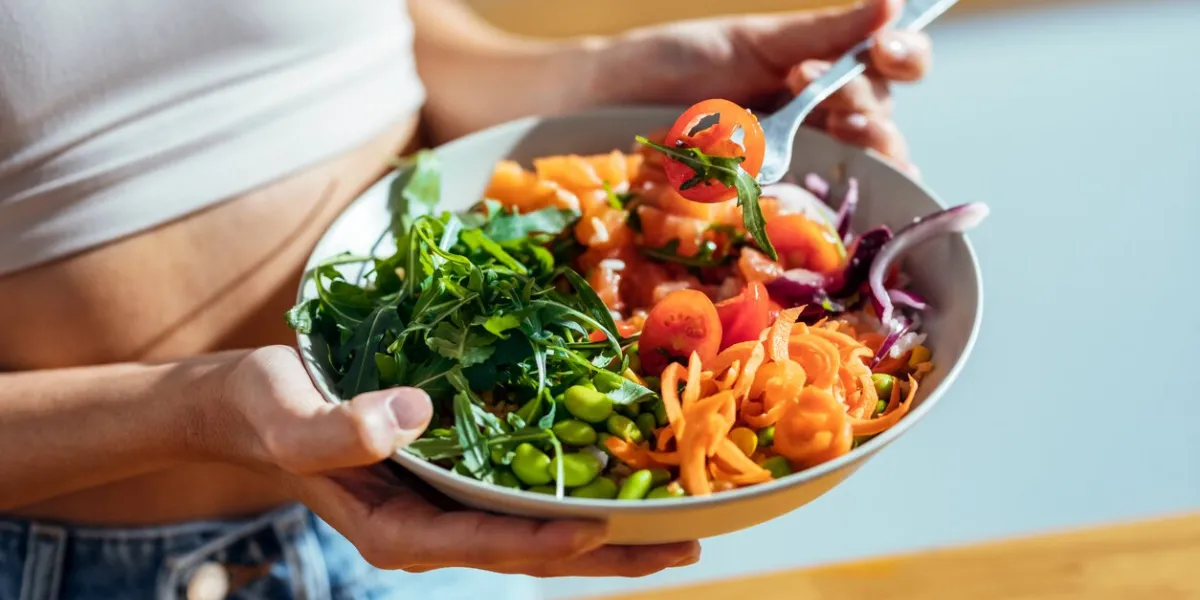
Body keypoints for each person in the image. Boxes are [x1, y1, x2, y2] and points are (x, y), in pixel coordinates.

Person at [0, 0, 933, 598]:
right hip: (77, 572)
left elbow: (391, 42)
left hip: (444, 533)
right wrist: (188, 412)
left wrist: (595, 80)